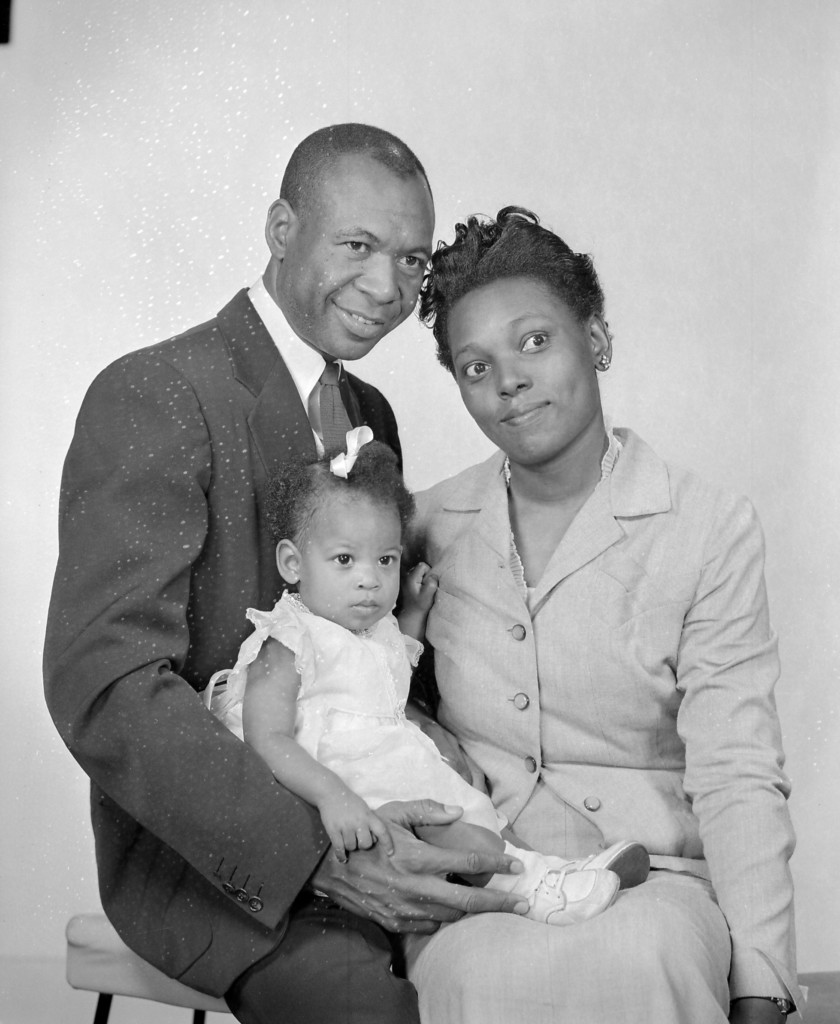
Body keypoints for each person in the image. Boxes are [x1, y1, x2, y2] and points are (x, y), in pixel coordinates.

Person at [42, 125, 525, 1024]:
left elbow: (364, 630)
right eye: (358, 245)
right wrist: (311, 853)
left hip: (377, 798)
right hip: (219, 854)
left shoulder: (369, 413)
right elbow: (103, 683)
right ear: (280, 229)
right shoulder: (156, 390)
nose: (386, 288)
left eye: (412, 261)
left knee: (533, 977)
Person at [404, 207, 801, 1023]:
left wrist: (762, 981)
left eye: (534, 341)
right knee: (474, 977)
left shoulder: (706, 527)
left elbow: (737, 767)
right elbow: (373, 700)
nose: (509, 380)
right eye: (476, 367)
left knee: (640, 955)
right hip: (494, 880)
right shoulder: (426, 527)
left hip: (657, 880)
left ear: (597, 339)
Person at [204, 425, 649, 928]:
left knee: (476, 811)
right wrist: (333, 796)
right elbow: (268, 737)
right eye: (345, 560)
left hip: (391, 758)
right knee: (453, 826)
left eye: (385, 560)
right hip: (346, 776)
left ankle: (552, 870)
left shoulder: (374, 630)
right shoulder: (289, 639)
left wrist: (413, 612)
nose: (369, 579)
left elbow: (389, 674)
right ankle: (537, 893)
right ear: (292, 563)